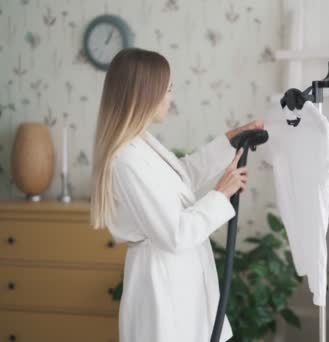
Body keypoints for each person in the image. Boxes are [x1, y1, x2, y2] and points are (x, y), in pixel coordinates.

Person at [90, 47, 263, 342]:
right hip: (162, 283)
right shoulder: (127, 159)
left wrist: (227, 143)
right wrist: (221, 194)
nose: (171, 98)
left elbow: (180, 178)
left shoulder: (141, 144)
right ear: (147, 94)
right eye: (168, 90)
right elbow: (175, 233)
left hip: (180, 277)